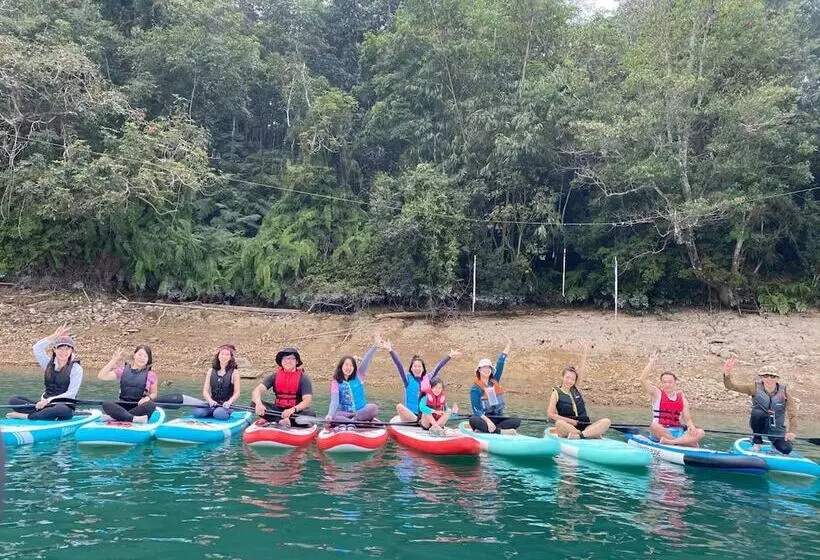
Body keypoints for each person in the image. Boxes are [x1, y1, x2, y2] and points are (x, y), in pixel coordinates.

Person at [7, 324, 82, 420]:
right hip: (45, 405)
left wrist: (48, 401)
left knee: (61, 409)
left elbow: (71, 393)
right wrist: (54, 336)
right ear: (54, 350)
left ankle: (28, 416)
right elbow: (37, 348)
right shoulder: (47, 363)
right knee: (14, 400)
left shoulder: (76, 368)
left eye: (67, 348)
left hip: (64, 406)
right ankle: (43, 413)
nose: (63, 352)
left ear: (72, 350)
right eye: (60, 348)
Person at [722, 358, 798, 454]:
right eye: (765, 376)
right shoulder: (754, 388)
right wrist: (727, 374)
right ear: (761, 377)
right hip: (759, 426)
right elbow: (731, 386)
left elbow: (793, 414)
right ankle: (757, 441)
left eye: (772, 376)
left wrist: (792, 431)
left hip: (777, 430)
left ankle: (775, 444)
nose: (769, 379)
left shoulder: (785, 393)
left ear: (777, 378)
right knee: (757, 412)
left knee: (786, 449)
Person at [385, 340, 461, 423]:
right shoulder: (407, 379)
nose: (417, 368)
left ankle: (451, 414)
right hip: (411, 416)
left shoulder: (428, 378)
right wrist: (390, 350)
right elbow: (398, 365)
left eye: (419, 366)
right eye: (415, 366)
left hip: (424, 415)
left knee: (440, 409)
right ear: (411, 368)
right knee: (399, 406)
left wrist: (450, 356)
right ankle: (420, 422)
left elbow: (438, 367)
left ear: (423, 368)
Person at [547, 342, 611, 438]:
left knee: (606, 421)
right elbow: (550, 414)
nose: (570, 381)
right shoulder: (556, 393)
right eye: (567, 377)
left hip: (584, 426)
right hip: (568, 426)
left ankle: (580, 435)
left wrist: (585, 351)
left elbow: (582, 369)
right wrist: (570, 421)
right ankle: (589, 434)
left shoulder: (576, 389)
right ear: (562, 377)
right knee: (559, 423)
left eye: (572, 379)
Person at [640, 352, 705, 446]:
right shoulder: (657, 394)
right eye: (664, 382)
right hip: (661, 431)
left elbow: (688, 420)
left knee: (701, 432)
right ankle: (683, 443)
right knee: (654, 426)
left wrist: (691, 427)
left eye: (670, 382)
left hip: (677, 432)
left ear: (675, 383)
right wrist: (651, 362)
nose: (667, 384)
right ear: (661, 383)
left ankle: (671, 442)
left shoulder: (682, 399)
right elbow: (643, 379)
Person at [468, 336, 520, 434]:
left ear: (491, 370)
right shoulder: (475, 389)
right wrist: (488, 422)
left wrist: (508, 345)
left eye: (489, 368)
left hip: (497, 418)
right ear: (479, 370)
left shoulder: (494, 380)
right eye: (484, 368)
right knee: (473, 420)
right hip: (484, 418)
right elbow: (476, 410)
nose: (486, 370)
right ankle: (500, 431)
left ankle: (493, 429)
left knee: (516, 420)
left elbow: (500, 363)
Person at [325, 335, 381, 427]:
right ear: (341, 366)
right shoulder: (336, 382)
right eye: (346, 365)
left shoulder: (359, 375)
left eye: (351, 366)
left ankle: (353, 421)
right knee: (335, 416)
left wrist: (375, 346)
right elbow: (334, 401)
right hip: (346, 414)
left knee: (373, 408)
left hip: (361, 411)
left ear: (354, 368)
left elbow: (366, 360)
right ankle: (355, 422)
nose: (349, 368)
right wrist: (330, 415)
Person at [251, 347, 315, 426]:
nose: (288, 361)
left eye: (291, 358)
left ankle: (280, 420)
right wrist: (258, 404)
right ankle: (283, 420)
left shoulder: (304, 378)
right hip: (278, 411)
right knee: (253, 404)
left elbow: (307, 400)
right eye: (285, 359)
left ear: (297, 361)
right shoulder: (274, 376)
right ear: (281, 362)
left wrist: (292, 410)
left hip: (295, 412)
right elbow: (256, 391)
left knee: (310, 414)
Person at [98, 346, 158, 423]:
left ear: (148, 359)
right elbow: (101, 376)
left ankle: (117, 417)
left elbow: (154, 393)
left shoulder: (151, 375)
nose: (142, 358)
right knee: (107, 404)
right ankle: (133, 419)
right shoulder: (122, 370)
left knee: (151, 405)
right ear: (134, 355)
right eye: (140, 355)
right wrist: (113, 360)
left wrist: (147, 398)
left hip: (139, 407)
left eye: (145, 356)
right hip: (122, 406)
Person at [193, 344, 241, 420]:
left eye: (227, 355)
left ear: (230, 357)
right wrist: (210, 400)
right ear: (218, 355)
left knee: (218, 413)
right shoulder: (210, 371)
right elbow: (205, 391)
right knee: (197, 412)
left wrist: (229, 402)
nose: (224, 357)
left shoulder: (235, 372)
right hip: (213, 403)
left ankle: (220, 413)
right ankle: (211, 411)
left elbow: (237, 392)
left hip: (227, 405)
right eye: (222, 354)